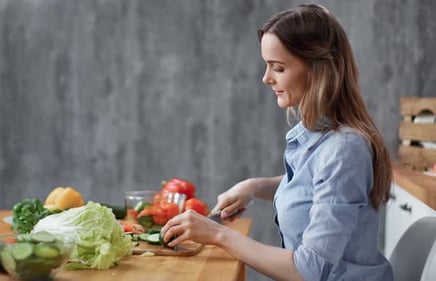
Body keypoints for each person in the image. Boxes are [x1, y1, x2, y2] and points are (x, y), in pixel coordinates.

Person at [161, 4, 393, 281]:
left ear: (318, 70)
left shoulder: (345, 149)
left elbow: (308, 270)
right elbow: (317, 188)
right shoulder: (324, 137)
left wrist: (218, 234)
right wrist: (254, 186)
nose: (266, 78)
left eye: (278, 68)